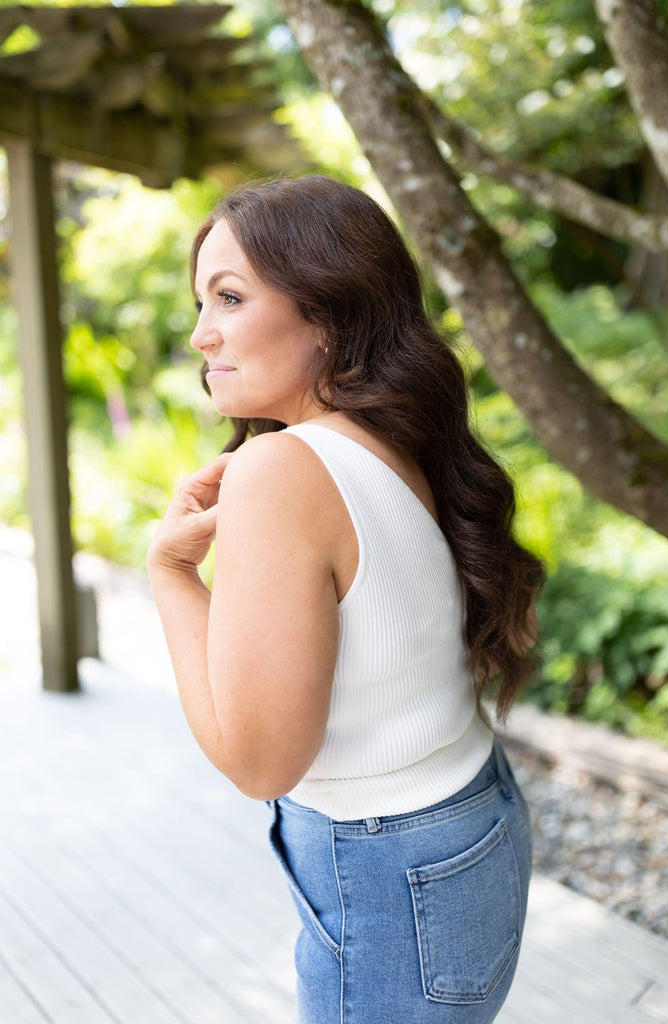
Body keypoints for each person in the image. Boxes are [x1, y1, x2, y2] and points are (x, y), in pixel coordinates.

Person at [146, 174, 545, 1024]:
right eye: (200, 301)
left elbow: (261, 764)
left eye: (228, 297)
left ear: (326, 311)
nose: (199, 333)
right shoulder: (390, 432)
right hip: (469, 823)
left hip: (393, 874)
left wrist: (171, 577)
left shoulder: (281, 470)